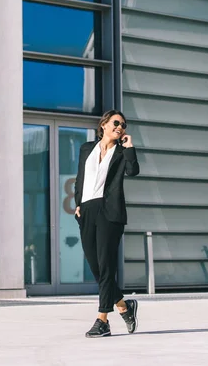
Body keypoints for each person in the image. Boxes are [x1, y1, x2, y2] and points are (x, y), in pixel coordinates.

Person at [74, 109, 140, 338]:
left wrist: (130, 147)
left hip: (109, 212)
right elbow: (80, 179)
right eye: (115, 123)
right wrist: (78, 204)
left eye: (123, 124)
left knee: (106, 265)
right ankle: (124, 306)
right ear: (104, 124)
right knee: (95, 266)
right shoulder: (86, 149)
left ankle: (103, 319)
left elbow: (133, 171)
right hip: (87, 209)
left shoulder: (122, 153)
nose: (120, 127)